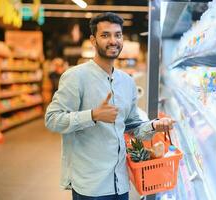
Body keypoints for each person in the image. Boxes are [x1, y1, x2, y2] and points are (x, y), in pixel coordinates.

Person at [45, 12, 175, 200]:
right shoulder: (76, 77)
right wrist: (92, 115)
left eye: (118, 35)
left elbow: (131, 127)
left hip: (121, 182)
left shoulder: (127, 82)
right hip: (91, 185)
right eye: (105, 35)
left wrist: (154, 126)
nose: (113, 40)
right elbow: (52, 119)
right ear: (93, 40)